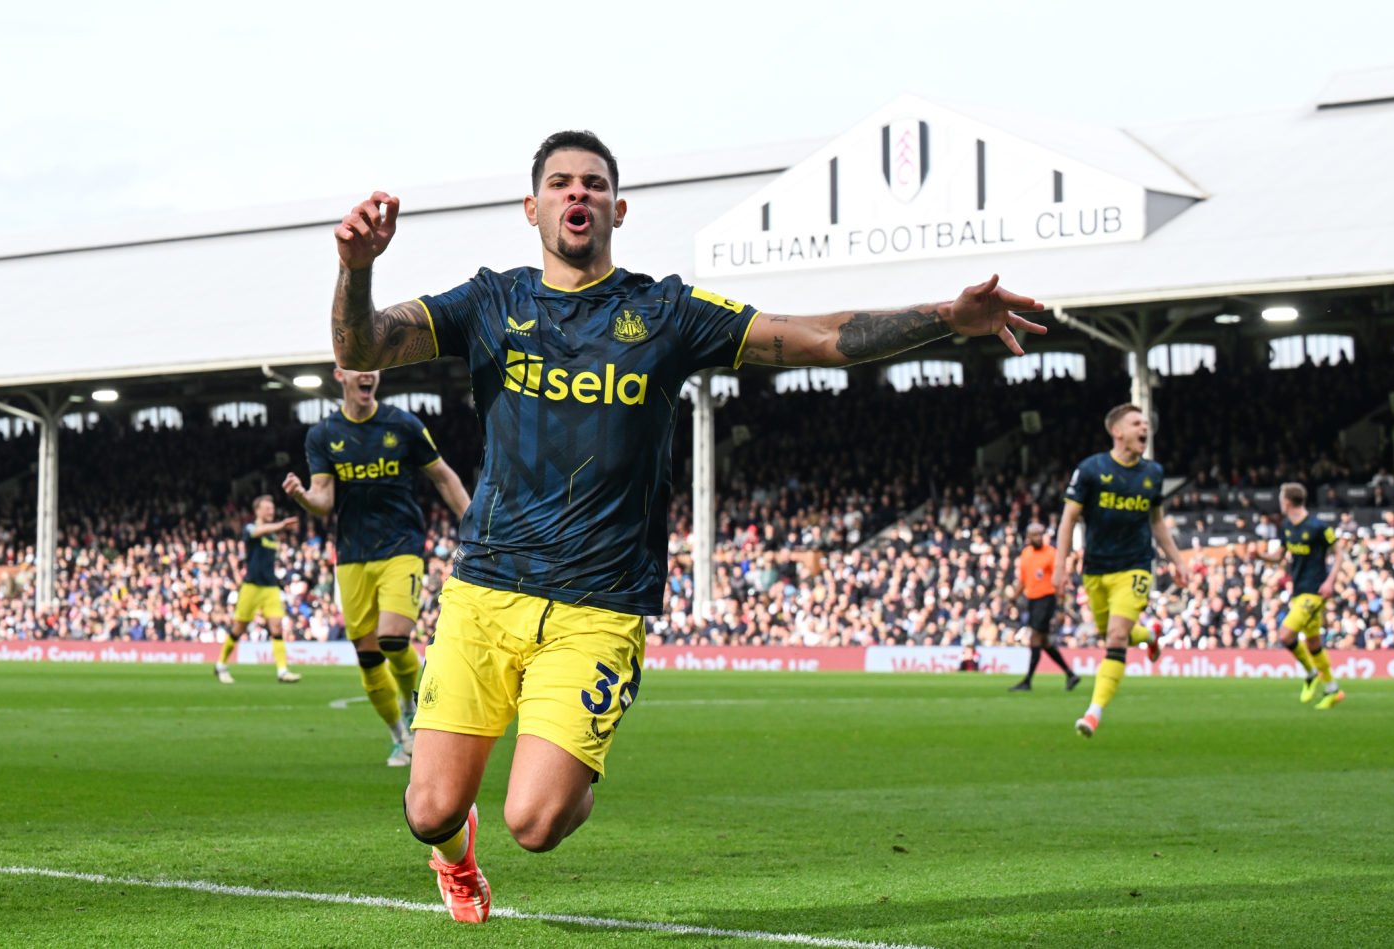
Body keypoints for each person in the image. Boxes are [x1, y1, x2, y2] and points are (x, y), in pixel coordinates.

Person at [328, 129, 1046, 923]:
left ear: (618, 208)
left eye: (594, 184)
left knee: (534, 823)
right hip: (484, 592)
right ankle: (455, 856)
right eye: (561, 183)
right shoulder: (491, 302)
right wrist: (357, 269)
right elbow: (361, 344)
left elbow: (818, 337)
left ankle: (569, 774)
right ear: (531, 207)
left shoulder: (664, 311)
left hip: (597, 608)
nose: (578, 194)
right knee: (427, 810)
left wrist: (947, 316)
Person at [283, 367, 472, 766]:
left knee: (392, 638)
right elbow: (324, 500)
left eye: (373, 368)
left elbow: (442, 476)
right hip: (352, 554)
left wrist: (473, 523)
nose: (368, 375)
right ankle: (398, 734)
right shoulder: (322, 435)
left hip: (401, 545)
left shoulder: (402, 425)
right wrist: (301, 496)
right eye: (359, 368)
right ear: (341, 375)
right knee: (367, 656)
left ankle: (410, 702)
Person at [1055, 404, 1187, 738]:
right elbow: (1069, 518)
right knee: (1114, 635)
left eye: (1146, 423)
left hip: (1135, 567)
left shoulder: (1153, 473)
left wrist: (1178, 561)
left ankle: (1093, 714)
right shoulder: (1091, 469)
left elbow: (1156, 521)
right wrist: (1060, 566)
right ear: (1118, 432)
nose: (1145, 428)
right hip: (1096, 570)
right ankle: (1150, 635)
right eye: (1137, 423)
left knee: (1115, 639)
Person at [1244, 483, 1347, 709]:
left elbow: (1339, 552)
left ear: (1287, 502)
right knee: (1313, 644)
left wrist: (1330, 581)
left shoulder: (1318, 526)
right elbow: (1279, 557)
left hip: (1316, 592)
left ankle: (1311, 674)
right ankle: (1332, 689)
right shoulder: (1287, 526)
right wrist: (1260, 556)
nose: (1280, 504)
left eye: (1281, 500)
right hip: (1298, 592)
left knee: (1286, 634)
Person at [215, 495, 302, 684]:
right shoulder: (250, 528)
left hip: (270, 587)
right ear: (258, 511)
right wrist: (280, 525)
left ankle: (282, 670)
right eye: (267, 508)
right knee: (239, 628)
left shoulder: (272, 535)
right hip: (252, 586)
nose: (271, 510)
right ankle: (220, 663)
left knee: (277, 627)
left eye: (272, 507)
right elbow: (255, 533)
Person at [1008, 522, 1080, 692]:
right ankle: (1070, 674)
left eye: (1040, 534)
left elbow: (1060, 580)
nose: (1038, 538)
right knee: (1045, 641)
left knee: (1035, 638)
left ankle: (1027, 681)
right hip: (1032, 600)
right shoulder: (1026, 554)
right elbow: (1023, 580)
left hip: (1046, 600)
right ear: (1028, 537)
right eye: (1035, 535)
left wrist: (1061, 607)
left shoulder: (1051, 554)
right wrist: (1012, 599)